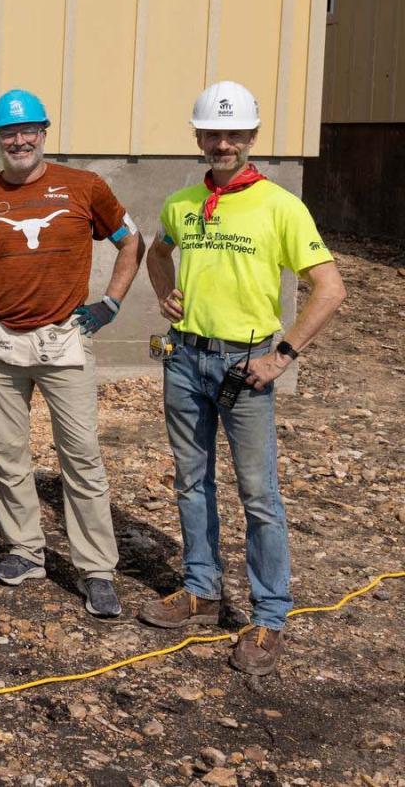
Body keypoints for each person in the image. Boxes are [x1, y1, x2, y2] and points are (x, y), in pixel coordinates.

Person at [139, 81, 345, 675]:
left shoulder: (280, 206)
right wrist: (164, 292)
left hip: (246, 366)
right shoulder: (181, 203)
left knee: (258, 494)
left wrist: (282, 355)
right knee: (190, 479)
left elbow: (331, 289)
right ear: (199, 137)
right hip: (185, 359)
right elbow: (158, 253)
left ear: (252, 138)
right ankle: (201, 589)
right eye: (212, 133)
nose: (222, 143)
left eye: (234, 134)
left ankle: (268, 616)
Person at [0, 89, 144, 619]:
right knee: (7, 457)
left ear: (45, 132)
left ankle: (96, 569)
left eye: (28, 129)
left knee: (81, 458)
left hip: (62, 338)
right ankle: (26, 552)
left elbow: (130, 242)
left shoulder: (85, 187)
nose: (19, 139)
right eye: (8, 132)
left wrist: (113, 304)